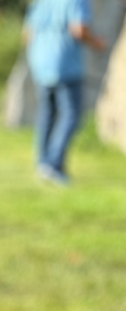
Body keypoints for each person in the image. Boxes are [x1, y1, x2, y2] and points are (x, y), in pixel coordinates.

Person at [24, 0, 107, 185]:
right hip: (65, 64)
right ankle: (53, 164)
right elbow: (79, 29)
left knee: (47, 114)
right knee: (71, 115)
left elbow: (28, 34)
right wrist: (97, 43)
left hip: (41, 63)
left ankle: (43, 163)